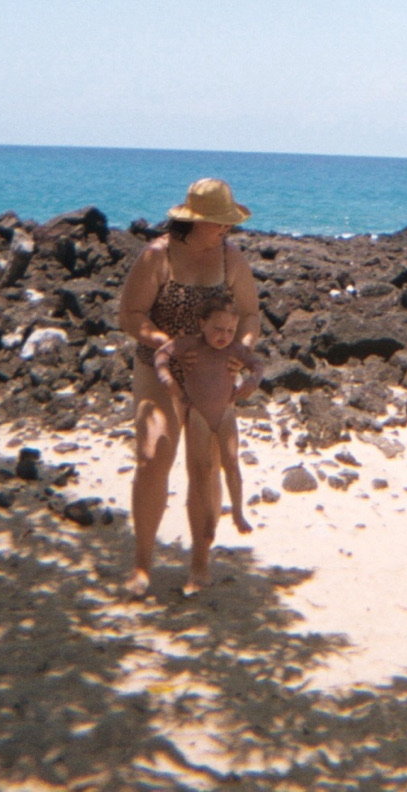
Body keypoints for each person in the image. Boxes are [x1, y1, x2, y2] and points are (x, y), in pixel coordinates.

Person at [117, 177, 260, 594]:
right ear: (194, 220)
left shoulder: (231, 257)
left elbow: (250, 314)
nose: (225, 228)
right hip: (159, 368)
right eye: (218, 221)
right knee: (152, 455)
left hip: (212, 375)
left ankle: (199, 562)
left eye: (228, 221)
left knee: (205, 467)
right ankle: (142, 564)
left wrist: (241, 351)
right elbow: (130, 315)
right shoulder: (157, 255)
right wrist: (169, 345)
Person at [154, 287, 264, 593]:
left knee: (231, 463)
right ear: (202, 323)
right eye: (217, 328)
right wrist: (167, 379)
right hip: (198, 415)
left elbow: (258, 364)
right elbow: (162, 354)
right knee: (202, 472)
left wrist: (252, 382)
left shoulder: (234, 350)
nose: (223, 336)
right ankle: (207, 524)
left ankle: (238, 511)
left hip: (226, 412)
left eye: (230, 330)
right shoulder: (189, 345)